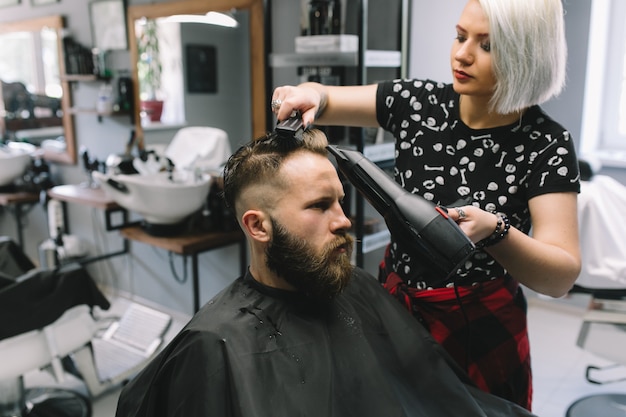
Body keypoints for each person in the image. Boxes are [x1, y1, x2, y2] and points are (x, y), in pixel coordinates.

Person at [271, 0, 581, 410]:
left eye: (486, 46)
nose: (462, 54)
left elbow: (560, 277)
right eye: (460, 36)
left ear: (528, 54)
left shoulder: (546, 145)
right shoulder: (418, 104)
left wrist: (496, 231)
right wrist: (306, 92)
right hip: (396, 313)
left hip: (482, 327)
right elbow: (323, 98)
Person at [114, 129, 536, 417]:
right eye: (319, 206)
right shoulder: (213, 345)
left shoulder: (359, 290)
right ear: (258, 226)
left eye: (340, 201)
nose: (344, 220)